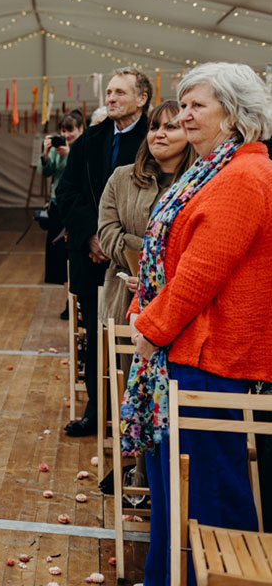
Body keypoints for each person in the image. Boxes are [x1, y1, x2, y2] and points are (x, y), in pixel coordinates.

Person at [121, 62, 272, 586]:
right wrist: (142, 309)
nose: (183, 115)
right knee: (175, 490)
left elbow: (200, 274)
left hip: (211, 355)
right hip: (183, 351)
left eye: (195, 106)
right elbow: (169, 261)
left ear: (232, 115)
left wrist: (149, 328)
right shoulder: (212, 169)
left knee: (207, 492)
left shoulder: (245, 175)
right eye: (182, 105)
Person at [97, 100, 196, 494]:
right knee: (135, 388)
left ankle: (174, 482)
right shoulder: (122, 178)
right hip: (126, 296)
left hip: (180, 301)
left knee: (172, 391)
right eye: (155, 127)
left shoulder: (199, 180)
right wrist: (143, 261)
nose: (159, 134)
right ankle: (138, 474)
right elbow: (106, 233)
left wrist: (158, 268)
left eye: (171, 127)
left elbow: (196, 247)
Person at [56, 68, 152, 437]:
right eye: (109, 92)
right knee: (96, 336)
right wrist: (92, 237)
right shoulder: (89, 140)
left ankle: (135, 418)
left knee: (136, 338)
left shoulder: (155, 138)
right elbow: (68, 193)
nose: (110, 98)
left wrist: (119, 244)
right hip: (92, 257)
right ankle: (97, 411)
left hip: (137, 260)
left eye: (119, 93)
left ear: (142, 99)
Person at [39, 111, 84, 319]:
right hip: (57, 206)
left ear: (81, 129)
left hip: (75, 207)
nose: (66, 135)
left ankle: (75, 301)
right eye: (63, 131)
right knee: (59, 255)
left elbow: (77, 174)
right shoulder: (56, 150)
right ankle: (69, 298)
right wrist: (47, 153)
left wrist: (68, 155)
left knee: (72, 253)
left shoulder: (82, 149)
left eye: (70, 130)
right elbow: (46, 172)